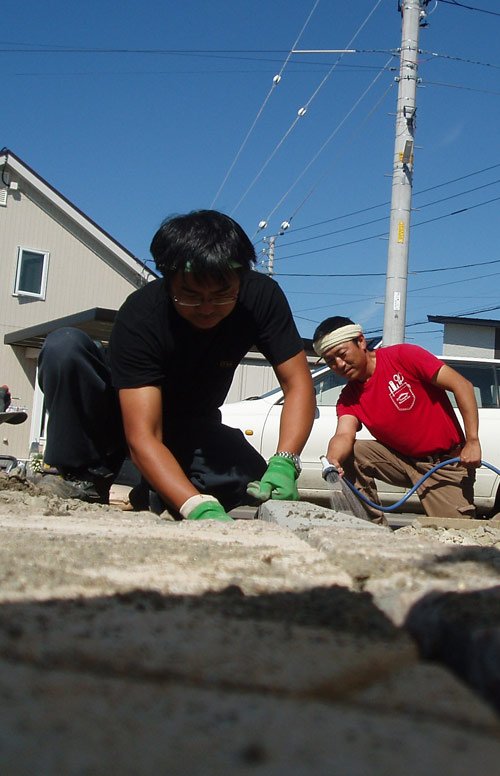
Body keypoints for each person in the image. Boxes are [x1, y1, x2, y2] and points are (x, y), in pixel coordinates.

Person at [38, 210, 315, 519]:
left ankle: (153, 492)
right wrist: (197, 508)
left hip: (188, 425)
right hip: (119, 418)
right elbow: (142, 435)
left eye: (223, 294)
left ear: (242, 278)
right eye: (191, 295)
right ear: (168, 281)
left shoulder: (261, 298)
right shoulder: (142, 315)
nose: (208, 308)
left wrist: (285, 461)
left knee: (246, 477)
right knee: (66, 347)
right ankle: (81, 477)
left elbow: (297, 385)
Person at [313, 316, 481, 521]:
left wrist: (472, 440)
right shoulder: (349, 398)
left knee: (456, 539)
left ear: (361, 341)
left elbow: (462, 385)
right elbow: (343, 435)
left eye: (342, 354)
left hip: (443, 465)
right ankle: (373, 530)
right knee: (351, 454)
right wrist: (333, 460)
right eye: (331, 361)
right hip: (403, 461)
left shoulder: (403, 357)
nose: (339, 364)